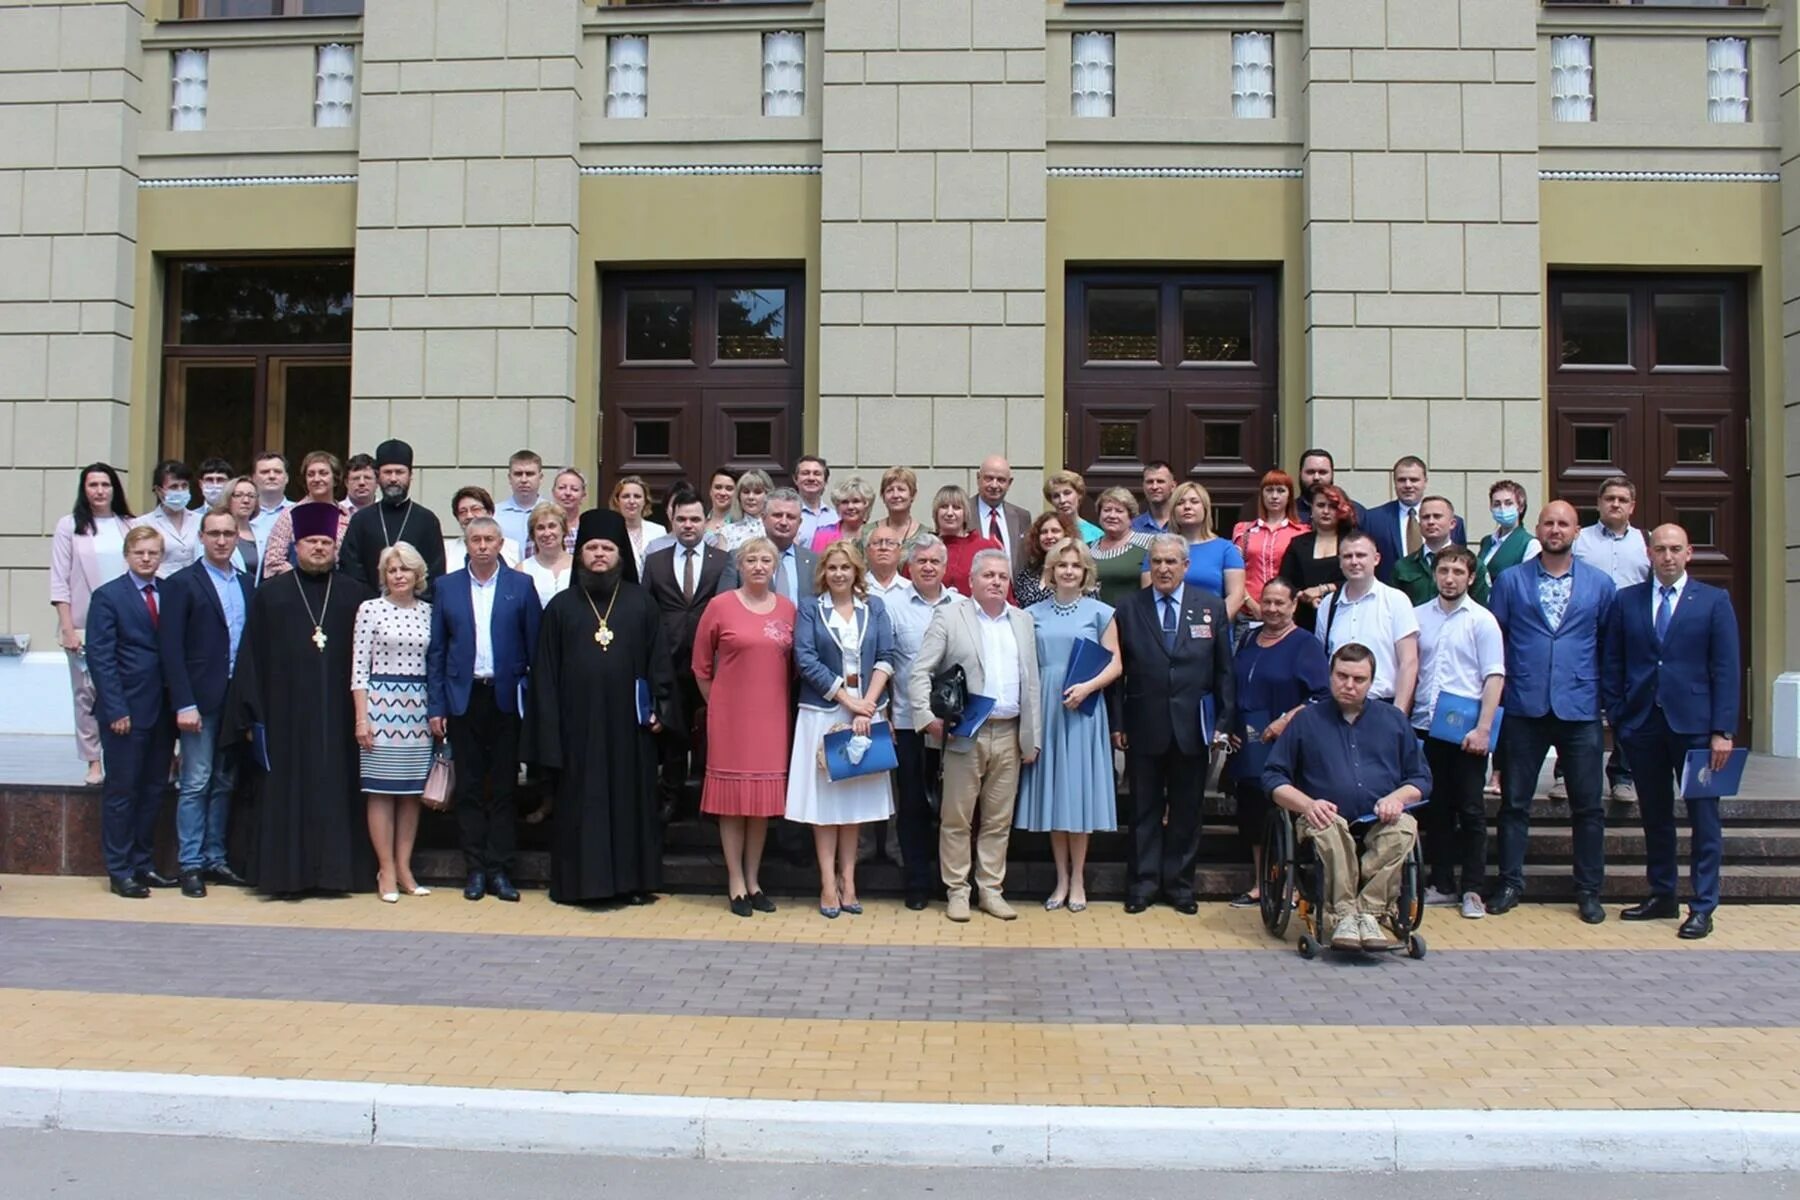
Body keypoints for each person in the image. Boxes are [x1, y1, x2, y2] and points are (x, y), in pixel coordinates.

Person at [526, 509, 675, 906]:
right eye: (591, 547)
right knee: (581, 807)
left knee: (630, 805)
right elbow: (544, 675)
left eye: (607, 548)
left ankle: (632, 884)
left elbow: (658, 660)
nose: (599, 555)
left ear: (620, 554)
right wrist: (550, 730)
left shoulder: (642, 605)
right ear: (580, 555)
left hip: (630, 729)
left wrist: (659, 707)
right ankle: (580, 885)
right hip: (578, 731)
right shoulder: (560, 607)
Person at [225, 500, 374, 896]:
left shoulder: (357, 596)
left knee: (339, 791)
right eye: (311, 541)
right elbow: (251, 659)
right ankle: (287, 877)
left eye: (326, 541)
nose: (319, 548)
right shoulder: (271, 596)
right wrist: (251, 715)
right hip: (285, 719)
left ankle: (338, 876)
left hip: (342, 720)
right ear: (296, 545)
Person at [1603, 524, 1740, 939]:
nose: (1667, 556)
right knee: (1656, 814)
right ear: (1648, 553)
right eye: (1660, 549)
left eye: (1675, 549)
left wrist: (1723, 730)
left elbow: (1726, 668)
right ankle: (1662, 892)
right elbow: (1613, 662)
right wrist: (1620, 716)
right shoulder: (1627, 601)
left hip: (1697, 728)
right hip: (1643, 724)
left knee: (1703, 817)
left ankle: (1702, 905)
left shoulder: (1714, 601)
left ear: (1689, 553)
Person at [1487, 500, 1617, 924]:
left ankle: (1588, 890)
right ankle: (1510, 882)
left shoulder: (1600, 584)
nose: (1556, 529)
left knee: (1588, 807)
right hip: (1525, 704)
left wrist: (1605, 700)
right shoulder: (1510, 581)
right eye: (1549, 523)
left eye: (1564, 523)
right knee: (1515, 803)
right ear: (1537, 528)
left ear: (1577, 531)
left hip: (1579, 706)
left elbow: (1608, 648)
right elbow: (1497, 643)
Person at [1263, 644, 1431, 951]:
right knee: (1330, 825)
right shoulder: (1306, 721)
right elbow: (1273, 777)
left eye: (1359, 679)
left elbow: (1420, 779)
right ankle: (1342, 916)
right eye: (1342, 676)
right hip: (1321, 818)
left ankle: (1367, 913)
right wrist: (1308, 804)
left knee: (1405, 827)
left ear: (1371, 682)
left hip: (1379, 818)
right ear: (1330, 675)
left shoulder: (1394, 720)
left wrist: (1397, 798)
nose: (1349, 685)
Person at [907, 548, 1041, 921]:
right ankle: (957, 890)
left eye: (1002, 576)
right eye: (988, 575)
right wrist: (926, 717)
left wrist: (1034, 737)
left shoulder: (1023, 621)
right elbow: (920, 672)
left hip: (1011, 733)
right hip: (966, 734)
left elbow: (1033, 682)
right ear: (972, 581)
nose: (996, 581)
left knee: (998, 819)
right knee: (957, 818)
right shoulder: (950, 616)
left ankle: (991, 890)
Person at [1111, 533, 1235, 915]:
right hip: (1143, 723)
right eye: (1157, 562)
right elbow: (1118, 672)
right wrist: (1117, 722)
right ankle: (1143, 885)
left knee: (1186, 811)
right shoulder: (1128, 607)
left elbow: (1224, 671)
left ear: (1186, 566)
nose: (1163, 568)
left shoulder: (1211, 607)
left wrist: (1224, 723)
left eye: (1171, 562)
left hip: (1193, 728)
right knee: (1143, 810)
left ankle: (1180, 886)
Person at [427, 516, 542, 904]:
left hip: (507, 697)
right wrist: (437, 705)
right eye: (475, 539)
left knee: (505, 788)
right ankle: (475, 869)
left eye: (489, 539)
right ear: (466, 543)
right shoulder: (446, 587)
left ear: (499, 544)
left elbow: (535, 647)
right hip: (464, 697)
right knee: (471, 788)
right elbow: (438, 651)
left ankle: (501, 869)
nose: (481, 546)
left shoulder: (520, 586)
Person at [788, 541, 897, 919]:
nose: (838, 574)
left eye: (845, 568)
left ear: (856, 572)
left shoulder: (875, 608)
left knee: (853, 804)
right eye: (832, 568)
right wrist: (848, 701)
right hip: (823, 712)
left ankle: (849, 881)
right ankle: (825, 882)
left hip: (866, 715)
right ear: (823, 572)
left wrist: (867, 703)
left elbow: (886, 656)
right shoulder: (809, 608)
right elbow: (804, 658)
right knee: (824, 804)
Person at [692, 536, 796, 916]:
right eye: (751, 559)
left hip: (772, 717)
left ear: (774, 567)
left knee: (760, 805)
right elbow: (701, 666)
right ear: (739, 565)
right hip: (731, 718)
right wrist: (718, 704)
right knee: (733, 804)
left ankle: (754, 881)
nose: (758, 565)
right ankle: (735, 880)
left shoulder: (788, 609)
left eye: (765, 560)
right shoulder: (720, 606)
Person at [1016, 539, 1121, 912]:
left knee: (1077, 795)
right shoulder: (1032, 613)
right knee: (1054, 795)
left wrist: (1088, 687)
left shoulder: (1101, 612)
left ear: (1086, 572)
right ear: (1051, 570)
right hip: (1045, 704)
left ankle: (1079, 880)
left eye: (1076, 566)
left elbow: (1116, 664)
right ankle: (1060, 879)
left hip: (1084, 709)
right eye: (1062, 565)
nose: (1068, 572)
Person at [160, 508, 254, 897]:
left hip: (235, 697)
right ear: (201, 537)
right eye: (213, 533)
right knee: (196, 781)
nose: (221, 540)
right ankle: (191, 864)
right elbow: (171, 649)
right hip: (199, 699)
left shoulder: (248, 585)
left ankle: (216, 856)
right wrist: (183, 702)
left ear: (237, 538)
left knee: (224, 780)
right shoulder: (182, 583)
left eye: (228, 533)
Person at [1411, 544, 1505, 919]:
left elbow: (1494, 676)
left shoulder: (1482, 620)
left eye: (1458, 572)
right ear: (1435, 574)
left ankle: (1473, 889)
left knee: (1471, 809)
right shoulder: (1418, 617)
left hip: (1466, 731)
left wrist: (1484, 729)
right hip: (1425, 725)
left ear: (1470, 577)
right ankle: (1443, 882)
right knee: (1435, 809)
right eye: (1444, 571)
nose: (1450, 578)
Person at [1224, 577, 1329, 909]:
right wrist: (1230, 728)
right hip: (1248, 745)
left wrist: (1286, 720)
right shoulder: (1250, 639)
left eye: (1279, 603)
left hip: (1286, 745)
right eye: (1266, 601)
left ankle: (1290, 884)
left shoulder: (1305, 644)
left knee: (1282, 814)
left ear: (1293, 605)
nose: (1271, 608)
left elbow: (1321, 696)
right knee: (1253, 817)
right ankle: (1261, 883)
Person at [87, 526, 177, 899]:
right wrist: (115, 708)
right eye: (140, 552)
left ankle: (144, 863)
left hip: (163, 710)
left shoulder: (171, 592)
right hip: (126, 710)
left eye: (153, 553)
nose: (146, 559)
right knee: (123, 791)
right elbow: (101, 657)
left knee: (154, 789)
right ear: (127, 555)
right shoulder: (108, 597)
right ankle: (120, 869)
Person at [351, 542, 435, 903]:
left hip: (418, 708)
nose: (399, 575)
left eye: (405, 569)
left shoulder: (430, 612)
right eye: (392, 570)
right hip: (382, 707)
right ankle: (385, 868)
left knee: (412, 793)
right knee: (382, 790)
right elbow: (358, 669)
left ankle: (404, 866)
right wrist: (362, 718)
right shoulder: (370, 609)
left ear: (418, 575)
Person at [643, 489, 732, 823]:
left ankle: (712, 801)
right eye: (682, 518)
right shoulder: (655, 561)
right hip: (669, 661)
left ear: (706, 521)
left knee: (714, 734)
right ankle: (671, 798)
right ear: (671, 519)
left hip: (713, 662)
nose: (688, 525)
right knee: (675, 734)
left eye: (695, 519)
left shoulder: (724, 561)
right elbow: (648, 613)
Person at [885, 534, 961, 909]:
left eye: (935, 562)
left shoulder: (963, 605)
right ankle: (916, 883)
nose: (928, 567)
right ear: (908, 567)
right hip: (907, 722)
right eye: (921, 562)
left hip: (954, 725)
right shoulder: (891, 605)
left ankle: (952, 882)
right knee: (913, 805)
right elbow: (881, 662)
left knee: (952, 807)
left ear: (945, 568)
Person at [50, 463, 136, 786]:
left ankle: (123, 757)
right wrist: (68, 627)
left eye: (105, 484)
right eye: (93, 485)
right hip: (85, 624)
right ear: (84, 490)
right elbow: (59, 580)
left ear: (115, 488)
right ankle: (93, 760)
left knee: (124, 691)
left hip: (127, 623)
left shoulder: (129, 524)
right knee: (86, 694)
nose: (99, 491)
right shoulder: (69, 526)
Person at [1574, 474, 1650, 805]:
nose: (1615, 504)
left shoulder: (1646, 542)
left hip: (1631, 635)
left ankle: (1623, 775)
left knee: (1627, 703)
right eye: (1610, 499)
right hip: (1588, 631)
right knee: (1580, 698)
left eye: (1622, 499)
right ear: (1599, 503)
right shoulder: (1581, 540)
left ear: (1632, 506)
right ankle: (1567, 772)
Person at [1312, 531, 1420, 710]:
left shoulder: (1396, 600)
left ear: (1376, 559)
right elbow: (1321, 661)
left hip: (1383, 705)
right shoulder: (1328, 604)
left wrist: (1398, 713)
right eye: (1347, 556)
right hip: (1337, 707)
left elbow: (1409, 662)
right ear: (1340, 562)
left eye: (1361, 555)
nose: (1354, 562)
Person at [340, 440, 447, 591]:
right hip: (370, 608)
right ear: (378, 477)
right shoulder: (361, 520)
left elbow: (436, 573)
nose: (393, 478)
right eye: (387, 472)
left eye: (399, 472)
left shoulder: (427, 520)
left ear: (410, 475)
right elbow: (350, 570)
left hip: (416, 609)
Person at [1143, 481, 1246, 621]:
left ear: (1205, 508)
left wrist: (1212, 625)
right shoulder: (1158, 548)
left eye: (1194, 501)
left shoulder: (1226, 549)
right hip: (1168, 628)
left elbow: (1236, 596)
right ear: (1173, 511)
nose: (1187, 507)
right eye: (1180, 503)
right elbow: (1149, 594)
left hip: (1212, 629)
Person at [1367, 456, 1469, 585]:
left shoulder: (1454, 523)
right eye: (1402, 480)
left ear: (1425, 481)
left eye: (1414, 480)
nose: (1408, 485)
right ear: (1394, 483)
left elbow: (1463, 565)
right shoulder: (1373, 520)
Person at [1276, 484, 1353, 632]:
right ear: (1312, 509)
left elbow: (1362, 578)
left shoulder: (1352, 542)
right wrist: (1304, 596)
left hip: (1345, 615)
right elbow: (1285, 581)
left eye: (1332, 506)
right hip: (1305, 618)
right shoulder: (1298, 544)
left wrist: (1323, 589)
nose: (1325, 511)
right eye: (1320, 505)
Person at [720, 488, 818, 604]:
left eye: (791, 517)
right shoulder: (739, 557)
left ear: (800, 522)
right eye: (777, 515)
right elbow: (724, 605)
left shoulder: (814, 561)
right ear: (763, 518)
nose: (783, 522)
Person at [1230, 469, 1303, 621]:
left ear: (1289, 495)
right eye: (1269, 490)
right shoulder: (1243, 531)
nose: (1274, 496)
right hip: (1248, 612)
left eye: (1281, 490)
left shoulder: (1302, 532)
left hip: (1286, 613)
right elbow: (1235, 573)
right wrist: (1251, 604)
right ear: (1262, 494)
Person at [263, 452, 350, 578]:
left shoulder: (346, 516)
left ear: (335, 479)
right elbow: (274, 560)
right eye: (311, 474)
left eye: (323, 473)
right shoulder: (290, 514)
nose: (316, 479)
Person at [1471, 478, 1540, 607]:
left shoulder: (1530, 544)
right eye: (1497, 504)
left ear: (1520, 507)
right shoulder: (1487, 542)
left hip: (1508, 609)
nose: (1502, 508)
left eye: (1508, 503)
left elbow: (1528, 586)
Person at [930, 484, 1002, 598]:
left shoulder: (985, 548)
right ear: (936, 513)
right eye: (944, 507)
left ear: (965, 514)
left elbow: (1003, 589)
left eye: (956, 507)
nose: (950, 513)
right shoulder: (925, 548)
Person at [1089, 487, 1155, 609]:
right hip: (1096, 620)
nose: (1112, 515)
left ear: (1131, 517)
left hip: (1132, 618)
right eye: (1107, 510)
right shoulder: (1088, 548)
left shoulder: (1149, 544)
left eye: (1119, 511)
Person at [1390, 495, 1461, 606]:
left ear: (1452, 524)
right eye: (1425, 517)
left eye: (1437, 516)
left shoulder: (1470, 564)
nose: (1431, 522)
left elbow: (1479, 610)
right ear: (1419, 524)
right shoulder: (1403, 566)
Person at [135, 459, 200, 579]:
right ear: (159, 490)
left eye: (184, 486)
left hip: (196, 587)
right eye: (174, 487)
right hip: (161, 586)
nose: (180, 491)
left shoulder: (200, 521)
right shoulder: (144, 524)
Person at [974, 454, 1032, 576]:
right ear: (978, 478)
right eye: (989, 478)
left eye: (1001, 480)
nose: (994, 485)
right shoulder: (964, 513)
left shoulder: (1022, 517)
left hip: (1012, 593)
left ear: (1009, 483)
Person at [444, 485, 523, 573]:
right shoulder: (447, 549)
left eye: (475, 509)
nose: (469, 516)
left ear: (489, 513)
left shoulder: (512, 547)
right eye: (463, 512)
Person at [1014, 510, 1076, 609]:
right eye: (1044, 532)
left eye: (1055, 531)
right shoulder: (1028, 572)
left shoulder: (1074, 570)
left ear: (1066, 534)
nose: (1049, 536)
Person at [1294, 447, 1369, 527]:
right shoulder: (1287, 511)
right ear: (1300, 474)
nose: (1316, 477)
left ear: (1332, 474)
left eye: (1322, 472)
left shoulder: (1355, 512)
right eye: (1310, 472)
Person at [611, 474, 666, 577]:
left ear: (645, 501)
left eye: (637, 496)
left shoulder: (659, 531)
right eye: (626, 496)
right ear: (617, 501)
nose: (632, 501)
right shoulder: (610, 531)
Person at [521, 501, 574, 607]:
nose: (547, 533)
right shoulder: (522, 569)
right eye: (540, 528)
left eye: (552, 526)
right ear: (533, 534)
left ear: (564, 530)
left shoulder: (579, 566)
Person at [870, 466, 927, 561]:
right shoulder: (868, 532)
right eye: (890, 490)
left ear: (913, 494)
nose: (895, 495)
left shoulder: (926, 535)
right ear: (883, 496)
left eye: (901, 489)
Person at [248, 452, 293, 565]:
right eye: (265, 472)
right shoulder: (242, 513)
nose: (271, 476)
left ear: (286, 478)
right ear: (253, 478)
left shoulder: (299, 512)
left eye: (277, 472)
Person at [494, 449, 544, 550]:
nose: (524, 480)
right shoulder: (494, 514)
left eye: (529, 474)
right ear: (509, 478)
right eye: (518, 474)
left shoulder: (553, 512)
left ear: (540, 477)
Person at [810, 474, 873, 553]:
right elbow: (816, 564)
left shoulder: (874, 534)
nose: (850, 507)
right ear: (837, 505)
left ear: (866, 504)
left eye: (856, 501)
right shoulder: (823, 534)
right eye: (844, 502)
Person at [715, 468, 773, 552]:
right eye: (746, 492)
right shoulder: (727, 532)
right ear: (739, 496)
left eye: (757, 492)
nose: (751, 497)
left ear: (768, 495)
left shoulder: (776, 529)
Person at [1043, 469, 1103, 543]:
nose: (1062, 500)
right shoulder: (1046, 532)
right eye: (1056, 496)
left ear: (1079, 494)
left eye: (1067, 493)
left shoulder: (1096, 534)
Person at [221, 476, 261, 579]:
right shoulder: (217, 532)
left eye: (251, 496)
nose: (246, 500)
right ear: (228, 498)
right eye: (239, 495)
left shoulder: (264, 532)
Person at [794, 454, 837, 546]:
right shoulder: (786, 516)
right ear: (795, 479)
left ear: (825, 481)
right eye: (805, 473)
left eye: (817, 474)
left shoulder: (836, 517)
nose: (811, 478)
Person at [548, 468, 589, 555]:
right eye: (562, 488)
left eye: (574, 489)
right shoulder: (542, 527)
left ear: (583, 496)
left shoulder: (590, 528)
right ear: (553, 492)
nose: (567, 493)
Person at [1132, 460, 1176, 535]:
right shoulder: (1133, 526)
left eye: (1160, 481)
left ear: (1173, 486)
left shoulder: (1184, 523)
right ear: (1143, 486)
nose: (1154, 487)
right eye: (1149, 482)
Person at [703, 468, 738, 544]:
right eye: (718, 487)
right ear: (710, 491)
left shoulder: (740, 523)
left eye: (729, 489)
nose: (722, 493)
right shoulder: (701, 521)